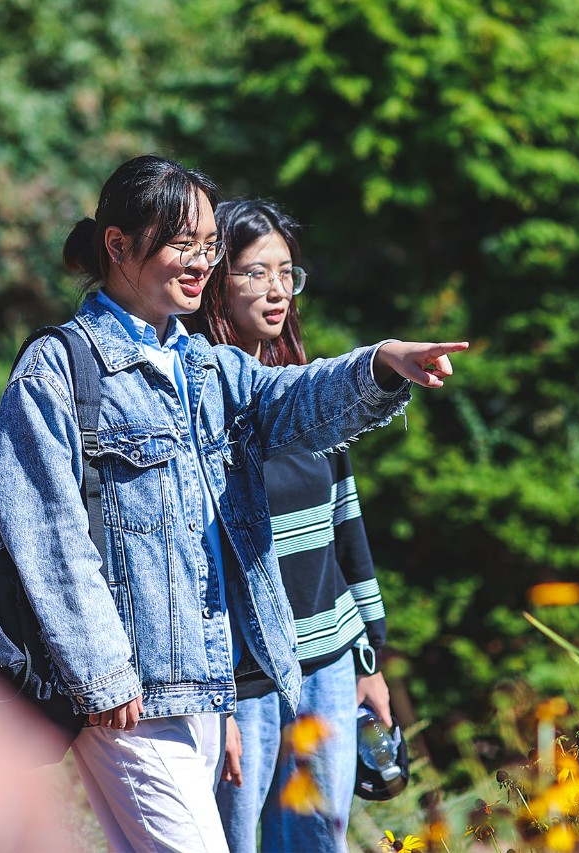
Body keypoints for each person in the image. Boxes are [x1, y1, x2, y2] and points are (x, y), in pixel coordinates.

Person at [0, 154, 466, 852]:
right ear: (118, 245)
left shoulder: (205, 364)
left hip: (206, 686)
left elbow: (294, 399)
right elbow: (45, 532)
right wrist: (102, 674)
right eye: (184, 244)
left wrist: (380, 362)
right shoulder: (59, 368)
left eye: (209, 247)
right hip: (131, 695)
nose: (201, 262)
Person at [186, 198, 395, 852]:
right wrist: (213, 702)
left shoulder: (311, 396)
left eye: (286, 272)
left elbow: (347, 533)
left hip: (329, 665)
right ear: (216, 281)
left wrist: (368, 660)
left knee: (314, 843)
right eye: (255, 272)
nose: (276, 289)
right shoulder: (191, 400)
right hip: (244, 678)